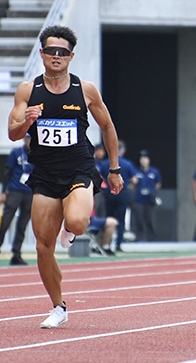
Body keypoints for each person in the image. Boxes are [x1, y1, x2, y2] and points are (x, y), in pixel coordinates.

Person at [7, 25, 124, 328]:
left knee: (76, 222)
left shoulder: (84, 89)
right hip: (45, 173)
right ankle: (59, 306)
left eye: (62, 52)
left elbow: (108, 127)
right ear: (42, 53)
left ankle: (70, 231)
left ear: (71, 56)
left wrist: (114, 169)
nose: (56, 56)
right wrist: (27, 122)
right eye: (50, 51)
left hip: (78, 168)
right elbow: (12, 132)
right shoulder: (27, 90)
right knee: (43, 248)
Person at [0, 134, 34, 265]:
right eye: (27, 138)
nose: (28, 141)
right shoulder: (16, 152)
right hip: (15, 190)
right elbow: (7, 173)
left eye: (30, 139)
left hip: (29, 191)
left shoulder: (37, 154)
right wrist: (4, 192)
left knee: (22, 225)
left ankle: (16, 253)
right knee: (5, 221)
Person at [99, 140, 136, 252]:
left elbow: (100, 177)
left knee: (108, 217)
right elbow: (134, 179)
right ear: (123, 151)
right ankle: (118, 244)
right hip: (122, 193)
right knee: (121, 219)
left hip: (109, 193)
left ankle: (107, 243)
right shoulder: (127, 164)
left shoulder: (104, 164)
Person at [132, 149, 162, 241]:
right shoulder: (136, 171)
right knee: (139, 220)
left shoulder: (154, 172)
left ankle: (151, 240)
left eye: (145, 158)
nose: (144, 160)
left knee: (150, 221)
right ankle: (139, 239)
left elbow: (158, 184)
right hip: (139, 199)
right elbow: (133, 185)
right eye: (142, 158)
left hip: (150, 200)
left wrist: (153, 192)